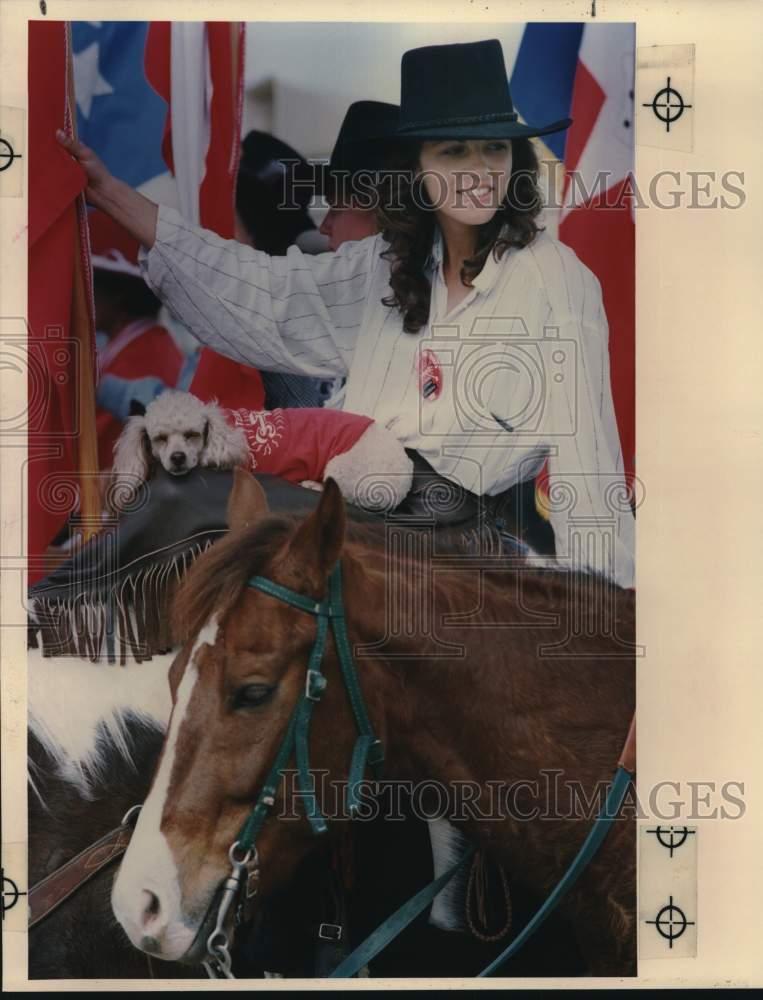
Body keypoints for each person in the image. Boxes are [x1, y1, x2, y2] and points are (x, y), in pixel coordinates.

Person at [58, 39, 633, 586]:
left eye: (494, 148)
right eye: (453, 150)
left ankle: (58, 610)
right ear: (415, 169)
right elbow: (261, 290)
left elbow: (587, 464)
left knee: (195, 508)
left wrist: (603, 616)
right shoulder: (383, 265)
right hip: (354, 530)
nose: (479, 169)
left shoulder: (556, 279)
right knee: (183, 499)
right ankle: (57, 614)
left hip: (455, 556)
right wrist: (111, 195)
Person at [88, 210, 184, 470]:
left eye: (88, 283)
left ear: (116, 293)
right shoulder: (136, 345)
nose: (79, 295)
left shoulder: (142, 359)